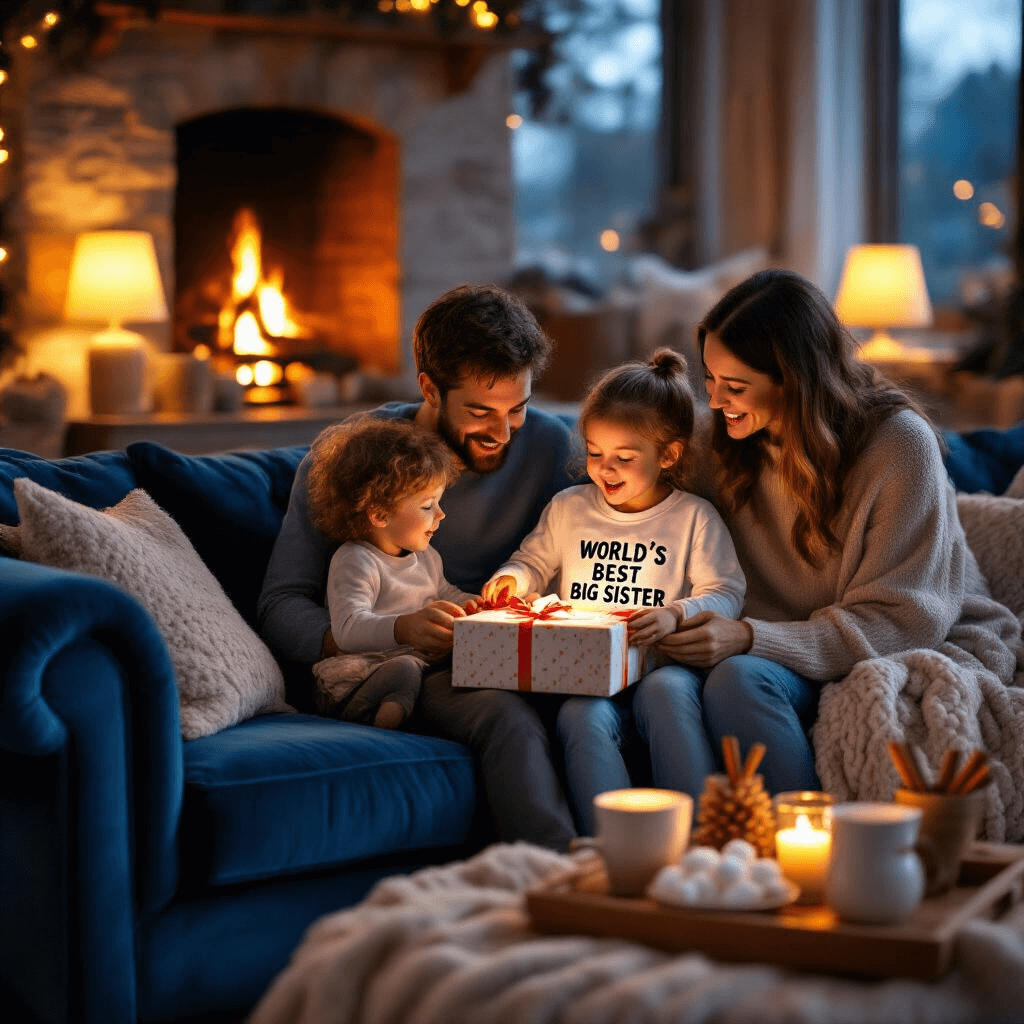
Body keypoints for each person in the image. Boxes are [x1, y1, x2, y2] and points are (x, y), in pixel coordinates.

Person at [652, 268, 1019, 794]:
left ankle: (798, 855)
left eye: (735, 387)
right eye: (708, 380)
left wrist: (753, 637)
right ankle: (695, 857)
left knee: (739, 679)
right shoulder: (723, 439)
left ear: (797, 383)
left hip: (892, 639)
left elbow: (903, 619)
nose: (714, 400)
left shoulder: (898, 446)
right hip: (769, 642)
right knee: (663, 687)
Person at [258, 283, 579, 851]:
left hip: (516, 654)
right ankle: (554, 878)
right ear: (429, 388)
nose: (502, 434)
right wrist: (373, 638)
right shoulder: (355, 459)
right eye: (480, 412)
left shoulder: (556, 450)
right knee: (506, 717)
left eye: (518, 409)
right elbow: (281, 605)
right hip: (398, 668)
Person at [481, 349, 746, 834]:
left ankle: (698, 836)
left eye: (624, 458)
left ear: (668, 455)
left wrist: (676, 614)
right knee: (580, 717)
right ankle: (612, 847)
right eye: (595, 453)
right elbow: (533, 561)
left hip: (662, 665)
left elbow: (726, 592)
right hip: (584, 672)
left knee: (666, 694)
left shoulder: (692, 518)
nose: (605, 469)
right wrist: (512, 580)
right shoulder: (569, 508)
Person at [305, 417, 477, 730]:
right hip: (358, 677)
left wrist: (482, 606)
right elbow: (347, 628)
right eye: (428, 506)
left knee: (433, 665)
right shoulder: (355, 560)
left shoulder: (426, 558)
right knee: (405, 670)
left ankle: (392, 712)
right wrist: (403, 628)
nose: (441, 514)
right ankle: (377, 724)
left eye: (439, 502)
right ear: (380, 513)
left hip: (410, 665)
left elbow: (446, 592)